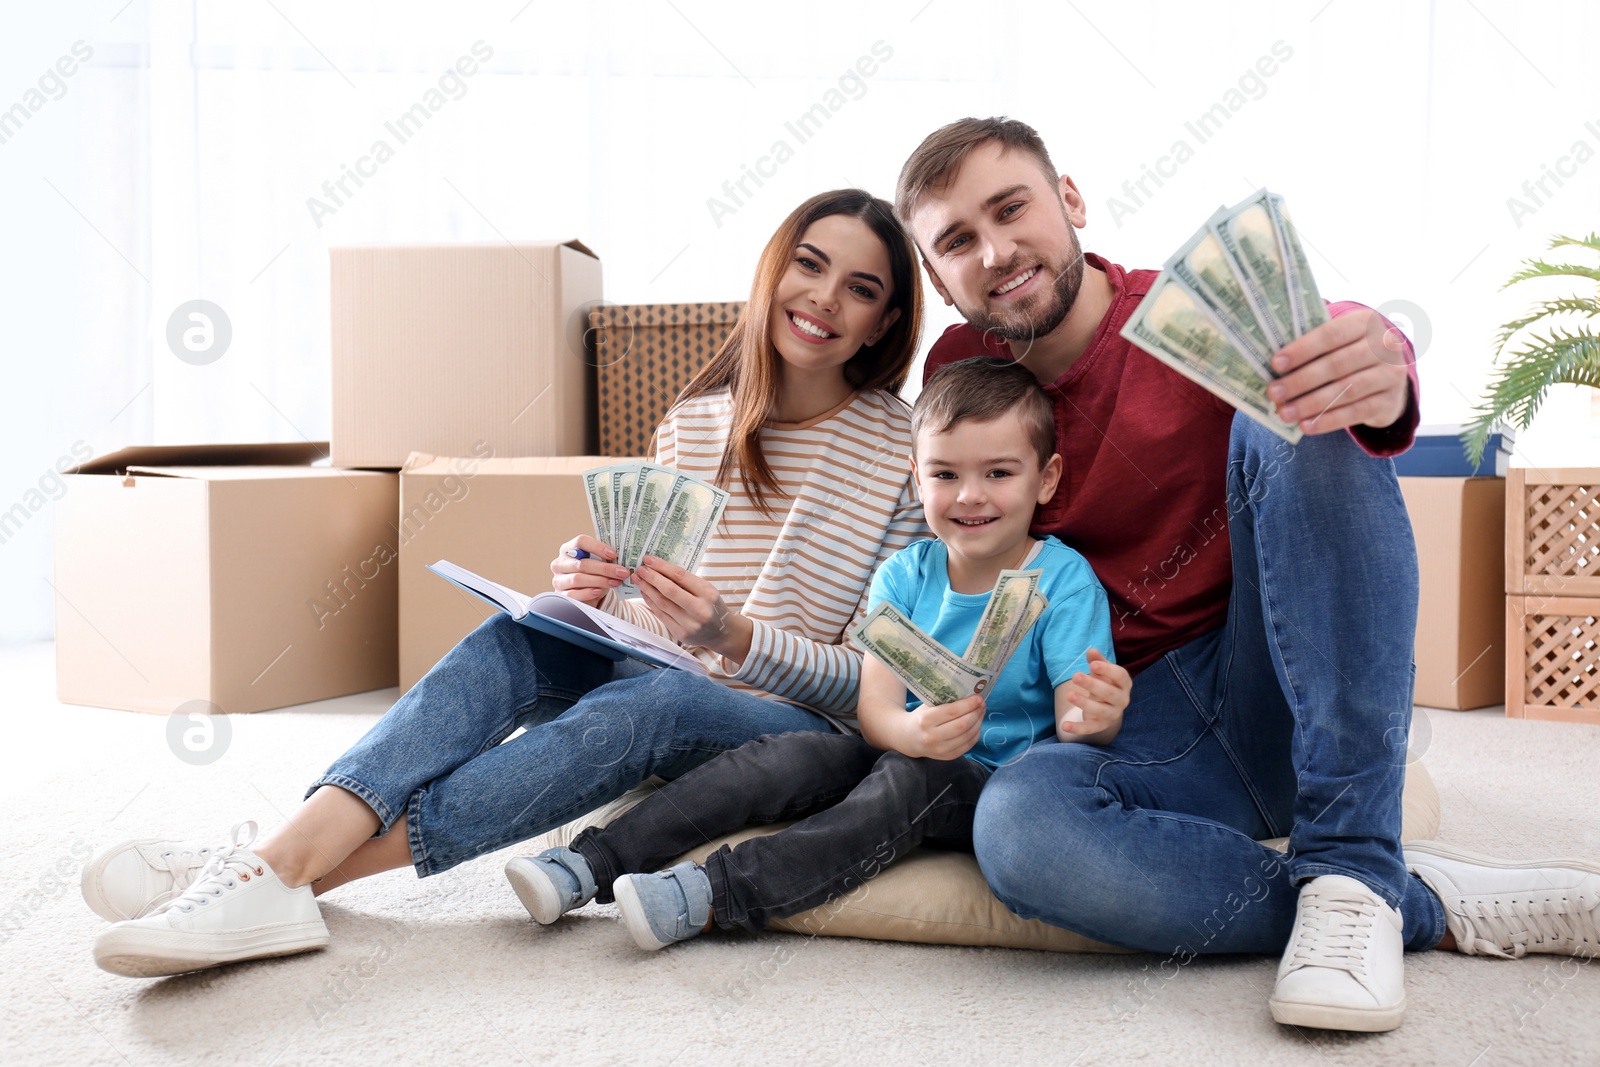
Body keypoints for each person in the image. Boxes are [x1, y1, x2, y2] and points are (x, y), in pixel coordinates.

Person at [81, 188, 930, 978]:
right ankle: (275, 863)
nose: (823, 298)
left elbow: (875, 686)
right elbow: (659, 617)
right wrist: (597, 598)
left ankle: (283, 874)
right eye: (810, 265)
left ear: (883, 321)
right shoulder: (696, 419)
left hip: (798, 730)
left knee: (657, 704)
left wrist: (734, 637)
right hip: (678, 677)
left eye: (858, 288)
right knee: (524, 632)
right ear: (774, 270)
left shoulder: (904, 453)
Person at [894, 117, 1600, 1033]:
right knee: (1019, 830)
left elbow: (1335, 334)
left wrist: (1374, 359)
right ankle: (1400, 898)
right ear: (937, 277)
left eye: (1011, 207)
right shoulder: (959, 376)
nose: (994, 250)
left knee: (1300, 399)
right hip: (1132, 724)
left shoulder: (1194, 315)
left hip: (1277, 675)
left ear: (1069, 200)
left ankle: (1349, 855)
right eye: (955, 240)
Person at [499, 357, 1132, 949]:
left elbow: (1079, 727)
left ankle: (712, 894)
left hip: (992, 785)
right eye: (945, 474)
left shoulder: (1062, 581)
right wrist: (911, 729)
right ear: (918, 481)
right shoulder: (903, 577)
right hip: (896, 748)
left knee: (915, 778)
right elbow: (876, 711)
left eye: (998, 472)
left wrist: (1095, 718)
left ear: (1045, 478)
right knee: (790, 756)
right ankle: (589, 861)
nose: (970, 496)